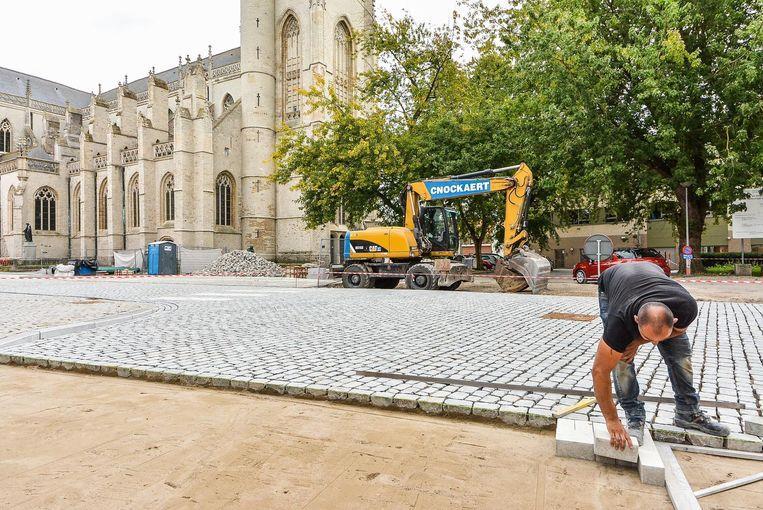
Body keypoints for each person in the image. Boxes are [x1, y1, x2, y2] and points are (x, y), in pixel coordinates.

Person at [592, 262, 729, 450]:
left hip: (652, 279)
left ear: (674, 320)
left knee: (681, 357)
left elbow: (679, 331)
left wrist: (638, 341)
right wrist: (611, 419)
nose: (655, 344)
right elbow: (600, 371)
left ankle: (688, 412)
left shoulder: (686, 306)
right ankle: (634, 416)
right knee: (622, 360)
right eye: (648, 337)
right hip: (613, 282)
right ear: (636, 321)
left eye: (660, 338)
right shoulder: (620, 320)